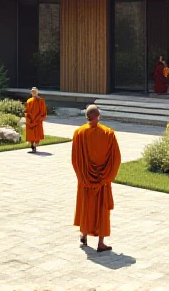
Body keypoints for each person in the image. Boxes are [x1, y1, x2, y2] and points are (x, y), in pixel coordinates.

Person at [71, 104, 121, 253]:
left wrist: (82, 177)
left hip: (86, 180)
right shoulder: (108, 134)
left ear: (86, 117)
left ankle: (84, 235)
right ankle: (100, 243)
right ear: (98, 116)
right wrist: (106, 178)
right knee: (102, 210)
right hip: (102, 181)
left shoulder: (79, 133)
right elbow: (116, 159)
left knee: (86, 206)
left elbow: (75, 159)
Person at [25, 86, 47, 153]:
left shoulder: (41, 101)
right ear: (31, 93)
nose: (33, 93)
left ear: (37, 93)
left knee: (37, 134)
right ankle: (32, 146)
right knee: (31, 134)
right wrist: (28, 120)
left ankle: (35, 146)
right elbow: (27, 111)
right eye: (32, 92)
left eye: (35, 92)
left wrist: (38, 119)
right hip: (30, 120)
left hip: (37, 121)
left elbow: (43, 112)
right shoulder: (29, 101)